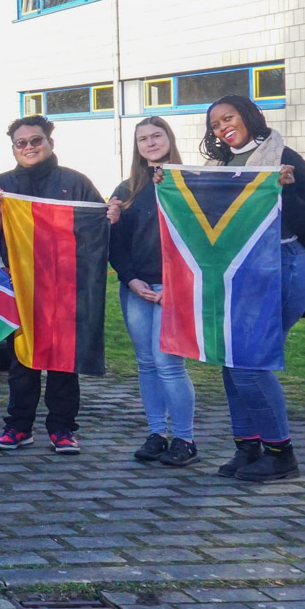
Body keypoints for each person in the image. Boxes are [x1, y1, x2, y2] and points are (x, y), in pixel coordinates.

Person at [202, 96, 305, 482]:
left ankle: (281, 455)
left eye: (228, 118)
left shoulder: (284, 157)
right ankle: (248, 447)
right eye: (216, 124)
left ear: (248, 115)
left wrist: (283, 189)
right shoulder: (219, 166)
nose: (223, 127)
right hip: (238, 272)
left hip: (284, 266)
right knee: (231, 363)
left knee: (250, 363)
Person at [0, 115, 117, 455]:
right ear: (13, 148)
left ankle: (62, 428)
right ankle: (18, 427)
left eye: (36, 140)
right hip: (20, 286)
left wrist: (110, 216)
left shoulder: (76, 181)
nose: (29, 147)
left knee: (63, 359)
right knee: (21, 361)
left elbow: (97, 227)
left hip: (65, 286)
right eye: (21, 143)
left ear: (50, 143)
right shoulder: (0, 185)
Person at [110, 119, 198, 469]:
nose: (150, 143)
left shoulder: (191, 183)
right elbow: (116, 243)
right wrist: (130, 279)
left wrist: (175, 285)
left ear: (169, 138)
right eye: (143, 139)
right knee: (146, 363)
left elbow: (199, 242)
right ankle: (157, 433)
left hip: (175, 288)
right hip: (137, 289)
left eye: (156, 136)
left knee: (168, 364)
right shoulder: (127, 189)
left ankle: (185, 439)